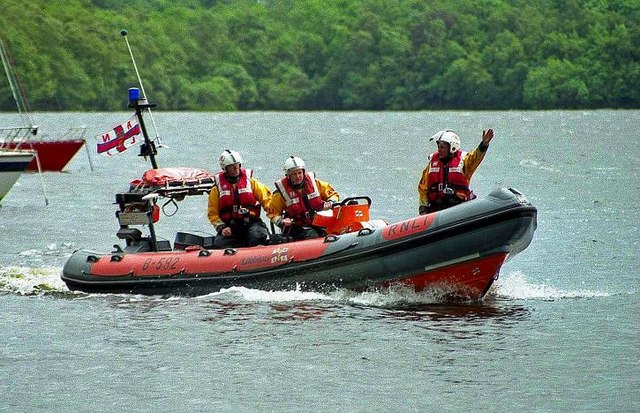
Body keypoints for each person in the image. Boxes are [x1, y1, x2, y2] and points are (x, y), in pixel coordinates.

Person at [418, 128, 494, 214]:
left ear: (452, 147)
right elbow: (423, 188)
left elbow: (475, 158)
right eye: (438, 147)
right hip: (436, 209)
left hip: (459, 207)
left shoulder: (464, 160)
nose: (439, 150)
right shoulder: (432, 163)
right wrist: (423, 209)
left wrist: (484, 144)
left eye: (442, 147)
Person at [207, 149, 273, 248]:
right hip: (231, 227)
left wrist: (277, 217)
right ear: (225, 169)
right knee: (220, 244)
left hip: (252, 222)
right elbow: (213, 214)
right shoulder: (217, 190)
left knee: (258, 236)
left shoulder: (251, 182)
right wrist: (222, 228)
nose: (236, 168)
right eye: (232, 167)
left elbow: (267, 200)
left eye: (237, 165)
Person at [268, 156, 340, 240]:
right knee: (312, 235)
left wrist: (330, 202)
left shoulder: (315, 184)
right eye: (294, 174)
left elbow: (333, 194)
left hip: (320, 221)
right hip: (297, 226)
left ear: (303, 172)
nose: (298, 176)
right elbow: (272, 213)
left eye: (299, 173)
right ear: (288, 176)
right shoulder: (281, 193)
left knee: (334, 231)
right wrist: (281, 221)